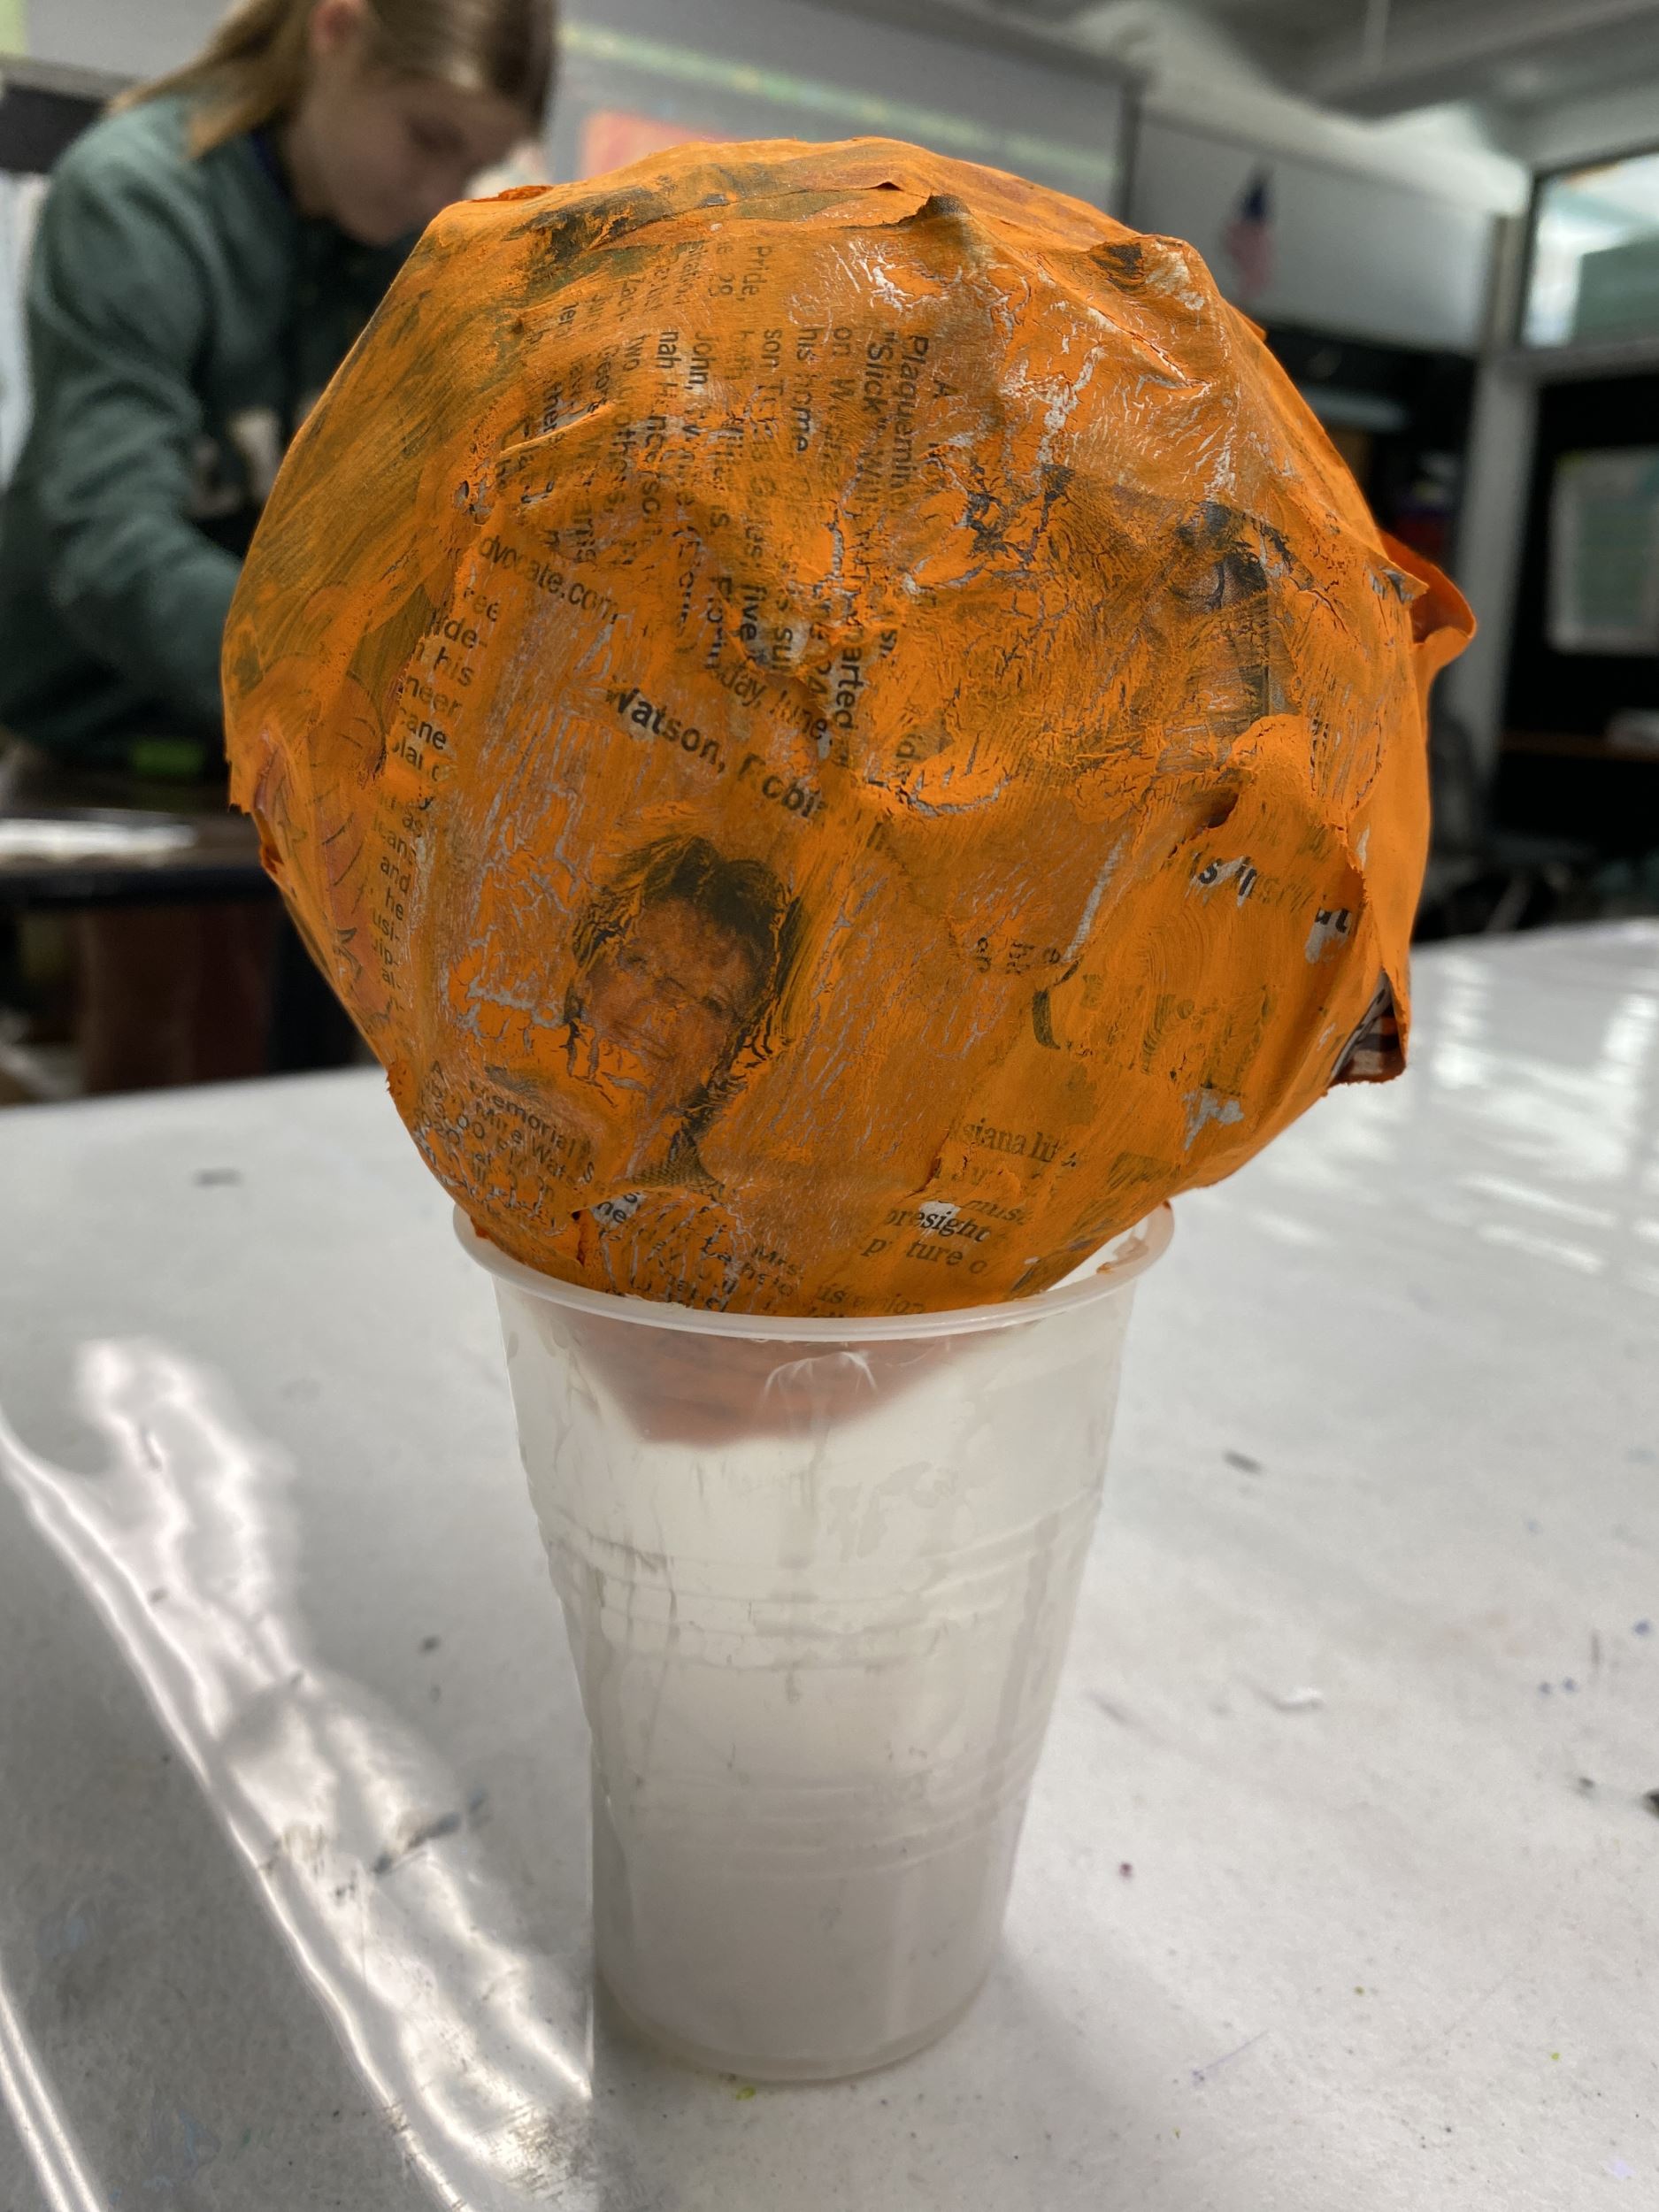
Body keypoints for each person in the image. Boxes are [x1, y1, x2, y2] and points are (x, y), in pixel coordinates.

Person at [0, 0, 556, 1090]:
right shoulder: (140, 198)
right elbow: (110, 542)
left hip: (284, 742)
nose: (439, 190)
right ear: (335, 30)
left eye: (474, 164)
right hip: (103, 727)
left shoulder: (401, 255)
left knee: (280, 1043)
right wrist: (356, 704)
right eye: (428, 137)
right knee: (154, 1039)